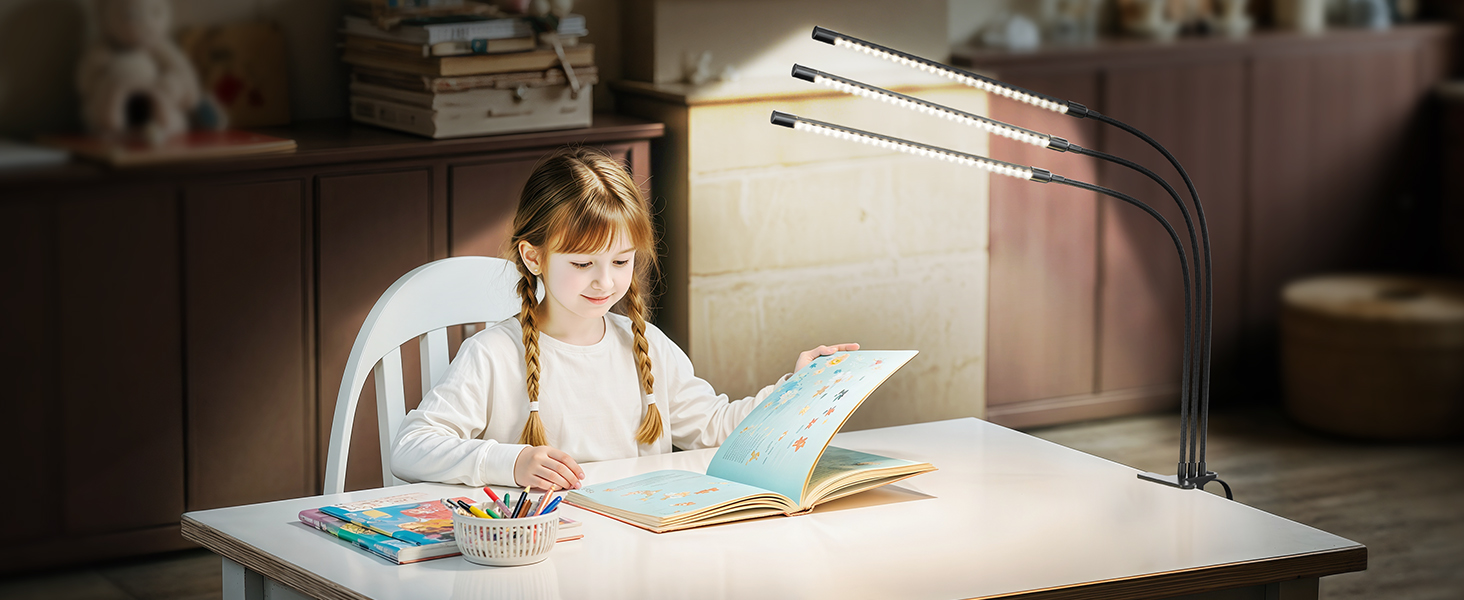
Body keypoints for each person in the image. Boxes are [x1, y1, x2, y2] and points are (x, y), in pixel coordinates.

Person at [391, 146, 857, 491]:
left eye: (621, 261)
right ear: (533, 257)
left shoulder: (645, 345)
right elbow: (410, 447)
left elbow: (717, 428)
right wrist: (507, 463)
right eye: (581, 264)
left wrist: (794, 390)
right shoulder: (493, 354)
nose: (604, 282)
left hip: (635, 548)